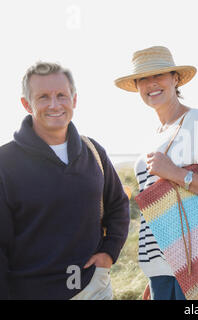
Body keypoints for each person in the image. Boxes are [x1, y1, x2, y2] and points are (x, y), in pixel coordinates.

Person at [114, 46, 198, 300]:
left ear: (175, 79)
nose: (151, 83)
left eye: (159, 75)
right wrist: (154, 274)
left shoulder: (197, 122)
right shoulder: (153, 135)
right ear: (136, 86)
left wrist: (176, 173)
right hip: (162, 273)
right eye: (143, 78)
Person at [0, 62, 130, 299]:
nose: (54, 104)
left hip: (94, 289)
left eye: (62, 95)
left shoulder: (93, 151)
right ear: (26, 104)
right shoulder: (4, 163)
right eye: (43, 97)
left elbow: (118, 205)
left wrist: (109, 253)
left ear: (74, 100)